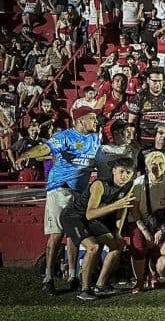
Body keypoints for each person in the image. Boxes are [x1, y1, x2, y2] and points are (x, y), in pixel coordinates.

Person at [14, 106, 101, 295]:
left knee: (74, 235)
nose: (96, 122)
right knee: (57, 234)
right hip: (60, 189)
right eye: (92, 118)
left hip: (79, 193)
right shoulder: (65, 137)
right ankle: (48, 277)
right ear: (80, 121)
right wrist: (25, 155)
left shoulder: (95, 138)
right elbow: (46, 148)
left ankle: (72, 276)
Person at [59, 157, 136, 300]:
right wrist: (116, 205)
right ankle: (84, 290)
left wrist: (118, 233)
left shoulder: (129, 185)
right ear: (113, 171)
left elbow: (122, 209)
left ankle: (100, 286)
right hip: (74, 216)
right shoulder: (100, 184)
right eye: (121, 172)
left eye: (128, 173)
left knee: (116, 246)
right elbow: (89, 214)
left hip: (93, 219)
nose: (124, 176)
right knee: (93, 247)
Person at [128, 151, 165, 293]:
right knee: (139, 246)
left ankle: (154, 276)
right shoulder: (139, 183)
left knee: (160, 246)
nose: (158, 167)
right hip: (139, 220)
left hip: (160, 221)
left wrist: (161, 230)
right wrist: (145, 231)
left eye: (161, 164)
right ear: (147, 166)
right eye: (154, 164)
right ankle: (139, 280)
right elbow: (134, 210)